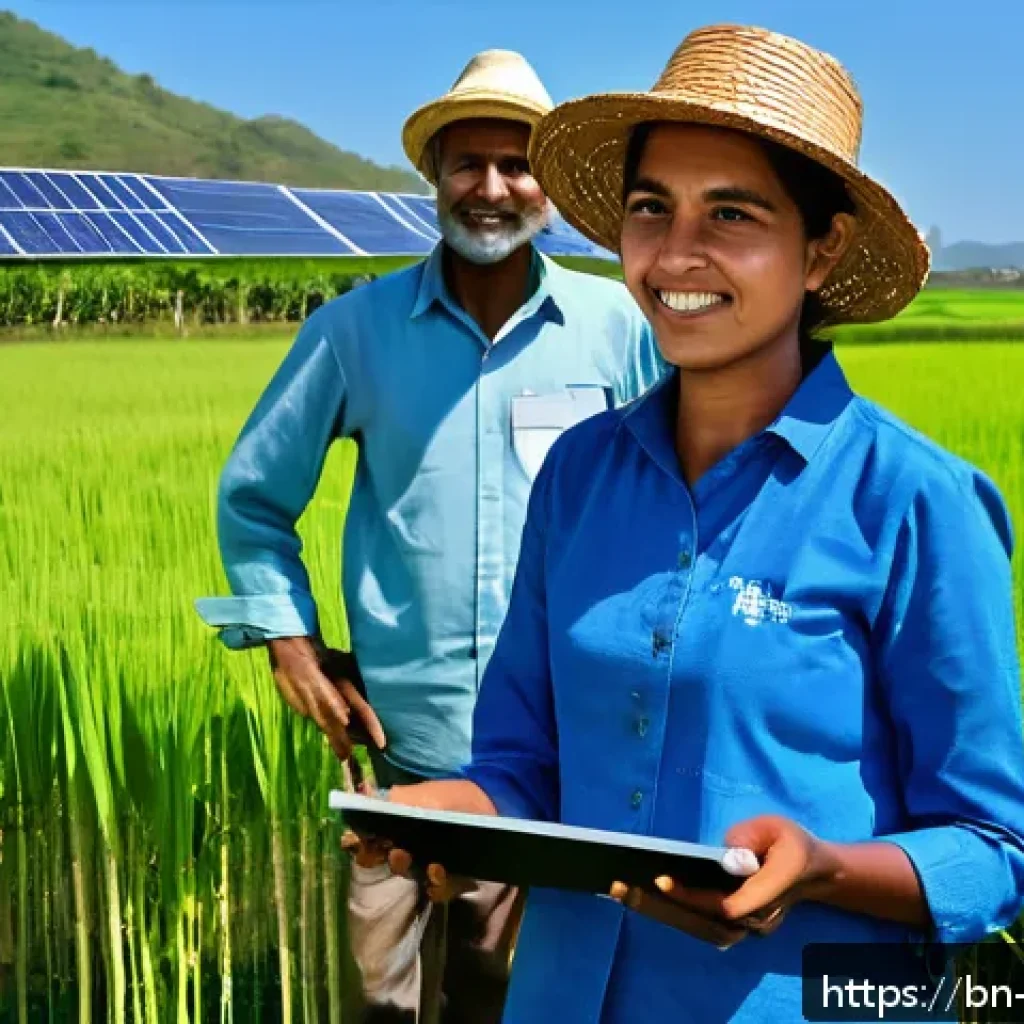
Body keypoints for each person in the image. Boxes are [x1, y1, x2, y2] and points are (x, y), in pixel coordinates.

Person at [364, 24, 1024, 1022]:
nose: (676, 253)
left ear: (821, 249)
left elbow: (991, 845)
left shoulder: (914, 501)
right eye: (649, 208)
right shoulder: (579, 474)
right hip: (559, 997)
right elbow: (518, 762)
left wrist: (822, 870)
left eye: (731, 213)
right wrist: (439, 815)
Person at [194, 47, 664, 1024]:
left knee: (515, 998)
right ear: (433, 177)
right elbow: (252, 496)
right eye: (466, 164)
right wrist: (284, 638)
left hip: (555, 771)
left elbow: (679, 510)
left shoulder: (618, 326)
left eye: (517, 163)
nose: (491, 188)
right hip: (397, 763)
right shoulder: (352, 331)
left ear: (549, 184)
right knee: (382, 1003)